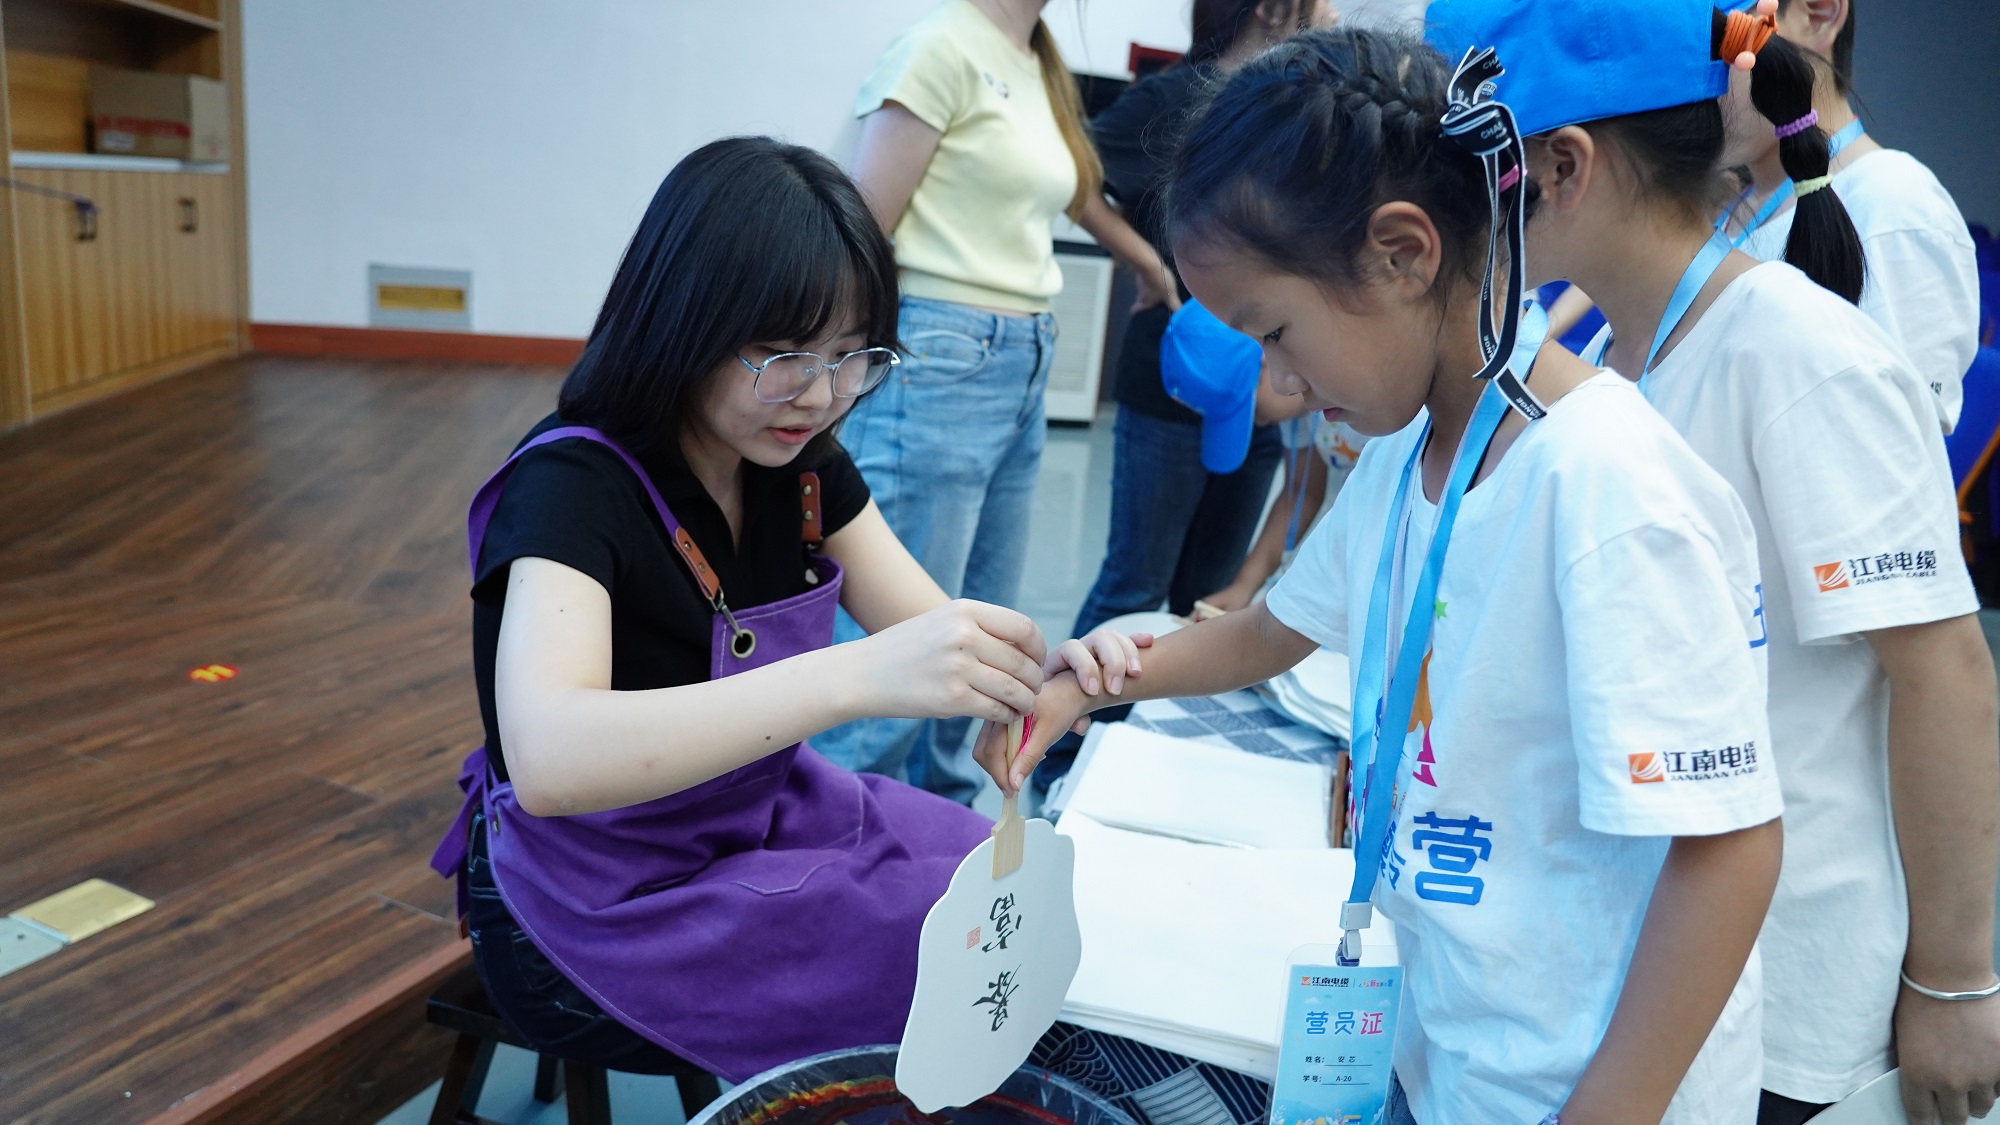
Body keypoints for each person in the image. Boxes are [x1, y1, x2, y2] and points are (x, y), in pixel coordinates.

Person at [982, 26, 1787, 1124]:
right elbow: (1269, 630)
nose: (1277, 380)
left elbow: (1728, 846)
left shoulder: (1606, 490)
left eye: (1276, 331)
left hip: (1584, 1084)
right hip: (1460, 1039)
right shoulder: (1412, 447)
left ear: (1403, 253)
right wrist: (1089, 681)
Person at [427, 137, 1140, 1083]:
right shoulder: (574, 483)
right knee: (946, 953)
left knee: (994, 884)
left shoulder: (795, 462)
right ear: (682, 319)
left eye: (851, 357)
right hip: (591, 897)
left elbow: (931, 627)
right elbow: (550, 761)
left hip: (752, 818)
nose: (821, 394)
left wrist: (1035, 675)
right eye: (783, 354)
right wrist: (855, 676)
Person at [1429, 1, 2000, 1120]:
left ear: (1561, 167)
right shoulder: (1626, 341)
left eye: (1465, 177)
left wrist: (1953, 980)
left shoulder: (1793, 350)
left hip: (1780, 985)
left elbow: (1942, 669)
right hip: (1643, 960)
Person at [827, 0, 1176, 801]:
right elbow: (859, 228)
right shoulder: (940, 49)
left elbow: (1074, 193)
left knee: (981, 634)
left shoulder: (1035, 59)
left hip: (1022, 352)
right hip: (940, 349)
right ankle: (837, 836)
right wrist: (834, 371)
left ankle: (936, 833)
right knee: (903, 643)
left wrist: (1147, 261)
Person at [1067, 0, 1335, 642]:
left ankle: (1173, 707)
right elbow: (1075, 179)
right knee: (1136, 584)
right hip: (1174, 384)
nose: (1332, 11)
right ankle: (1072, 710)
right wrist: (1147, 264)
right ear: (1274, 9)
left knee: (1210, 591)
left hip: (1267, 386)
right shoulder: (1173, 96)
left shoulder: (1300, 109)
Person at [1719, 0, 1981, 433]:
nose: (1687, 79)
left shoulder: (1894, 202)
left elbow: (1895, 445)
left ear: (1817, 12)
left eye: (1719, 39)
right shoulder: (1731, 204)